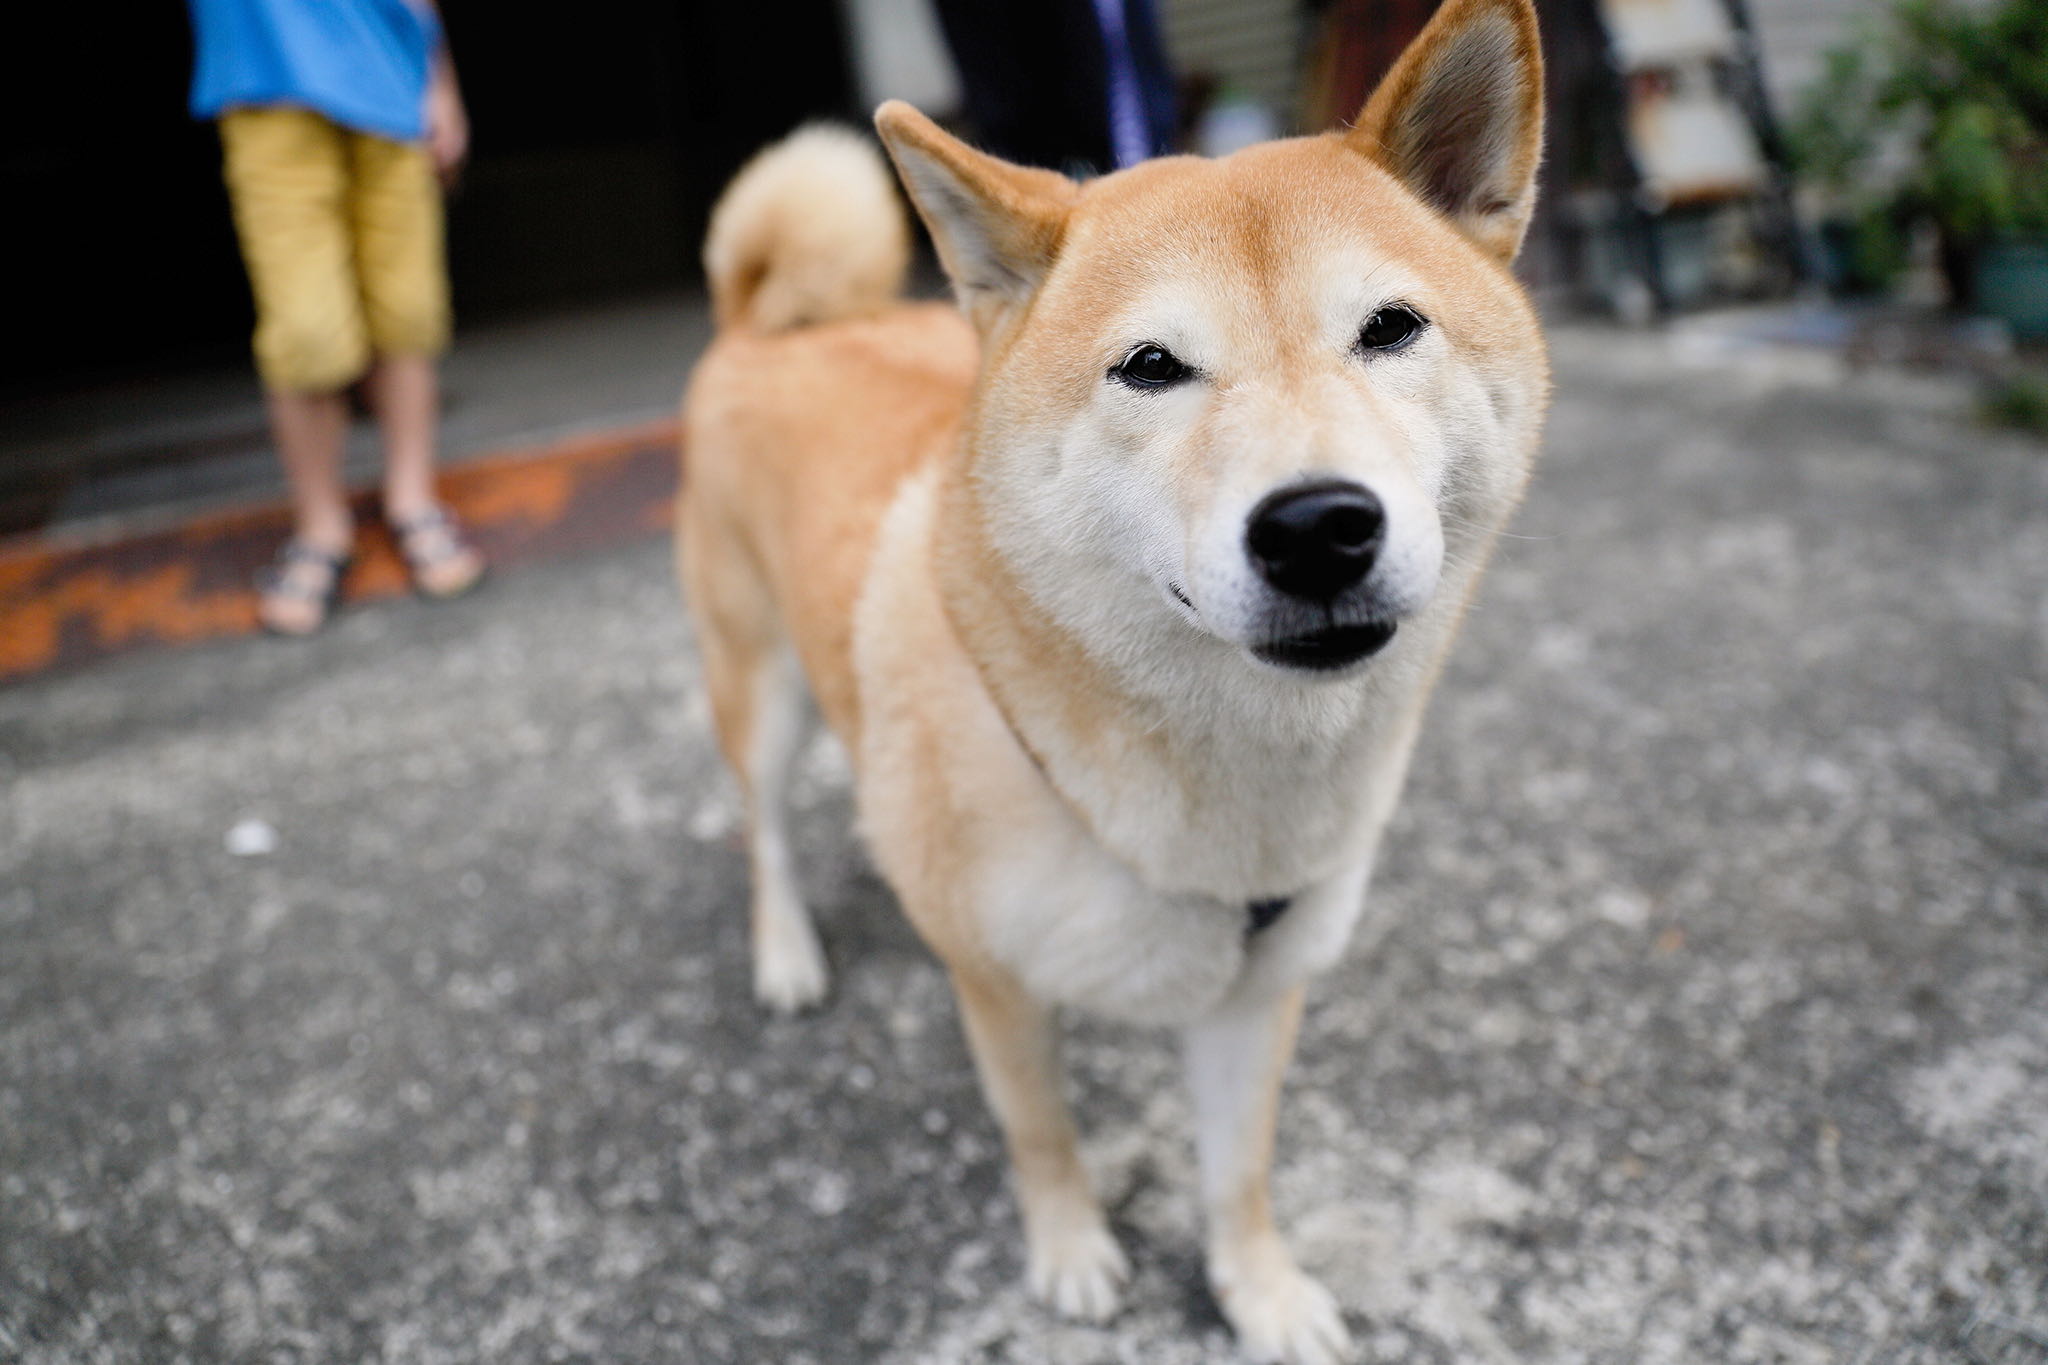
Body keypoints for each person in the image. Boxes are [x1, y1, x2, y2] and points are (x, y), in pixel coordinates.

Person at [187, 0, 484, 635]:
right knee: (306, 333)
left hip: (394, 86)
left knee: (408, 314)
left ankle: (413, 498)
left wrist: (441, 85)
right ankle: (321, 526)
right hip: (268, 88)